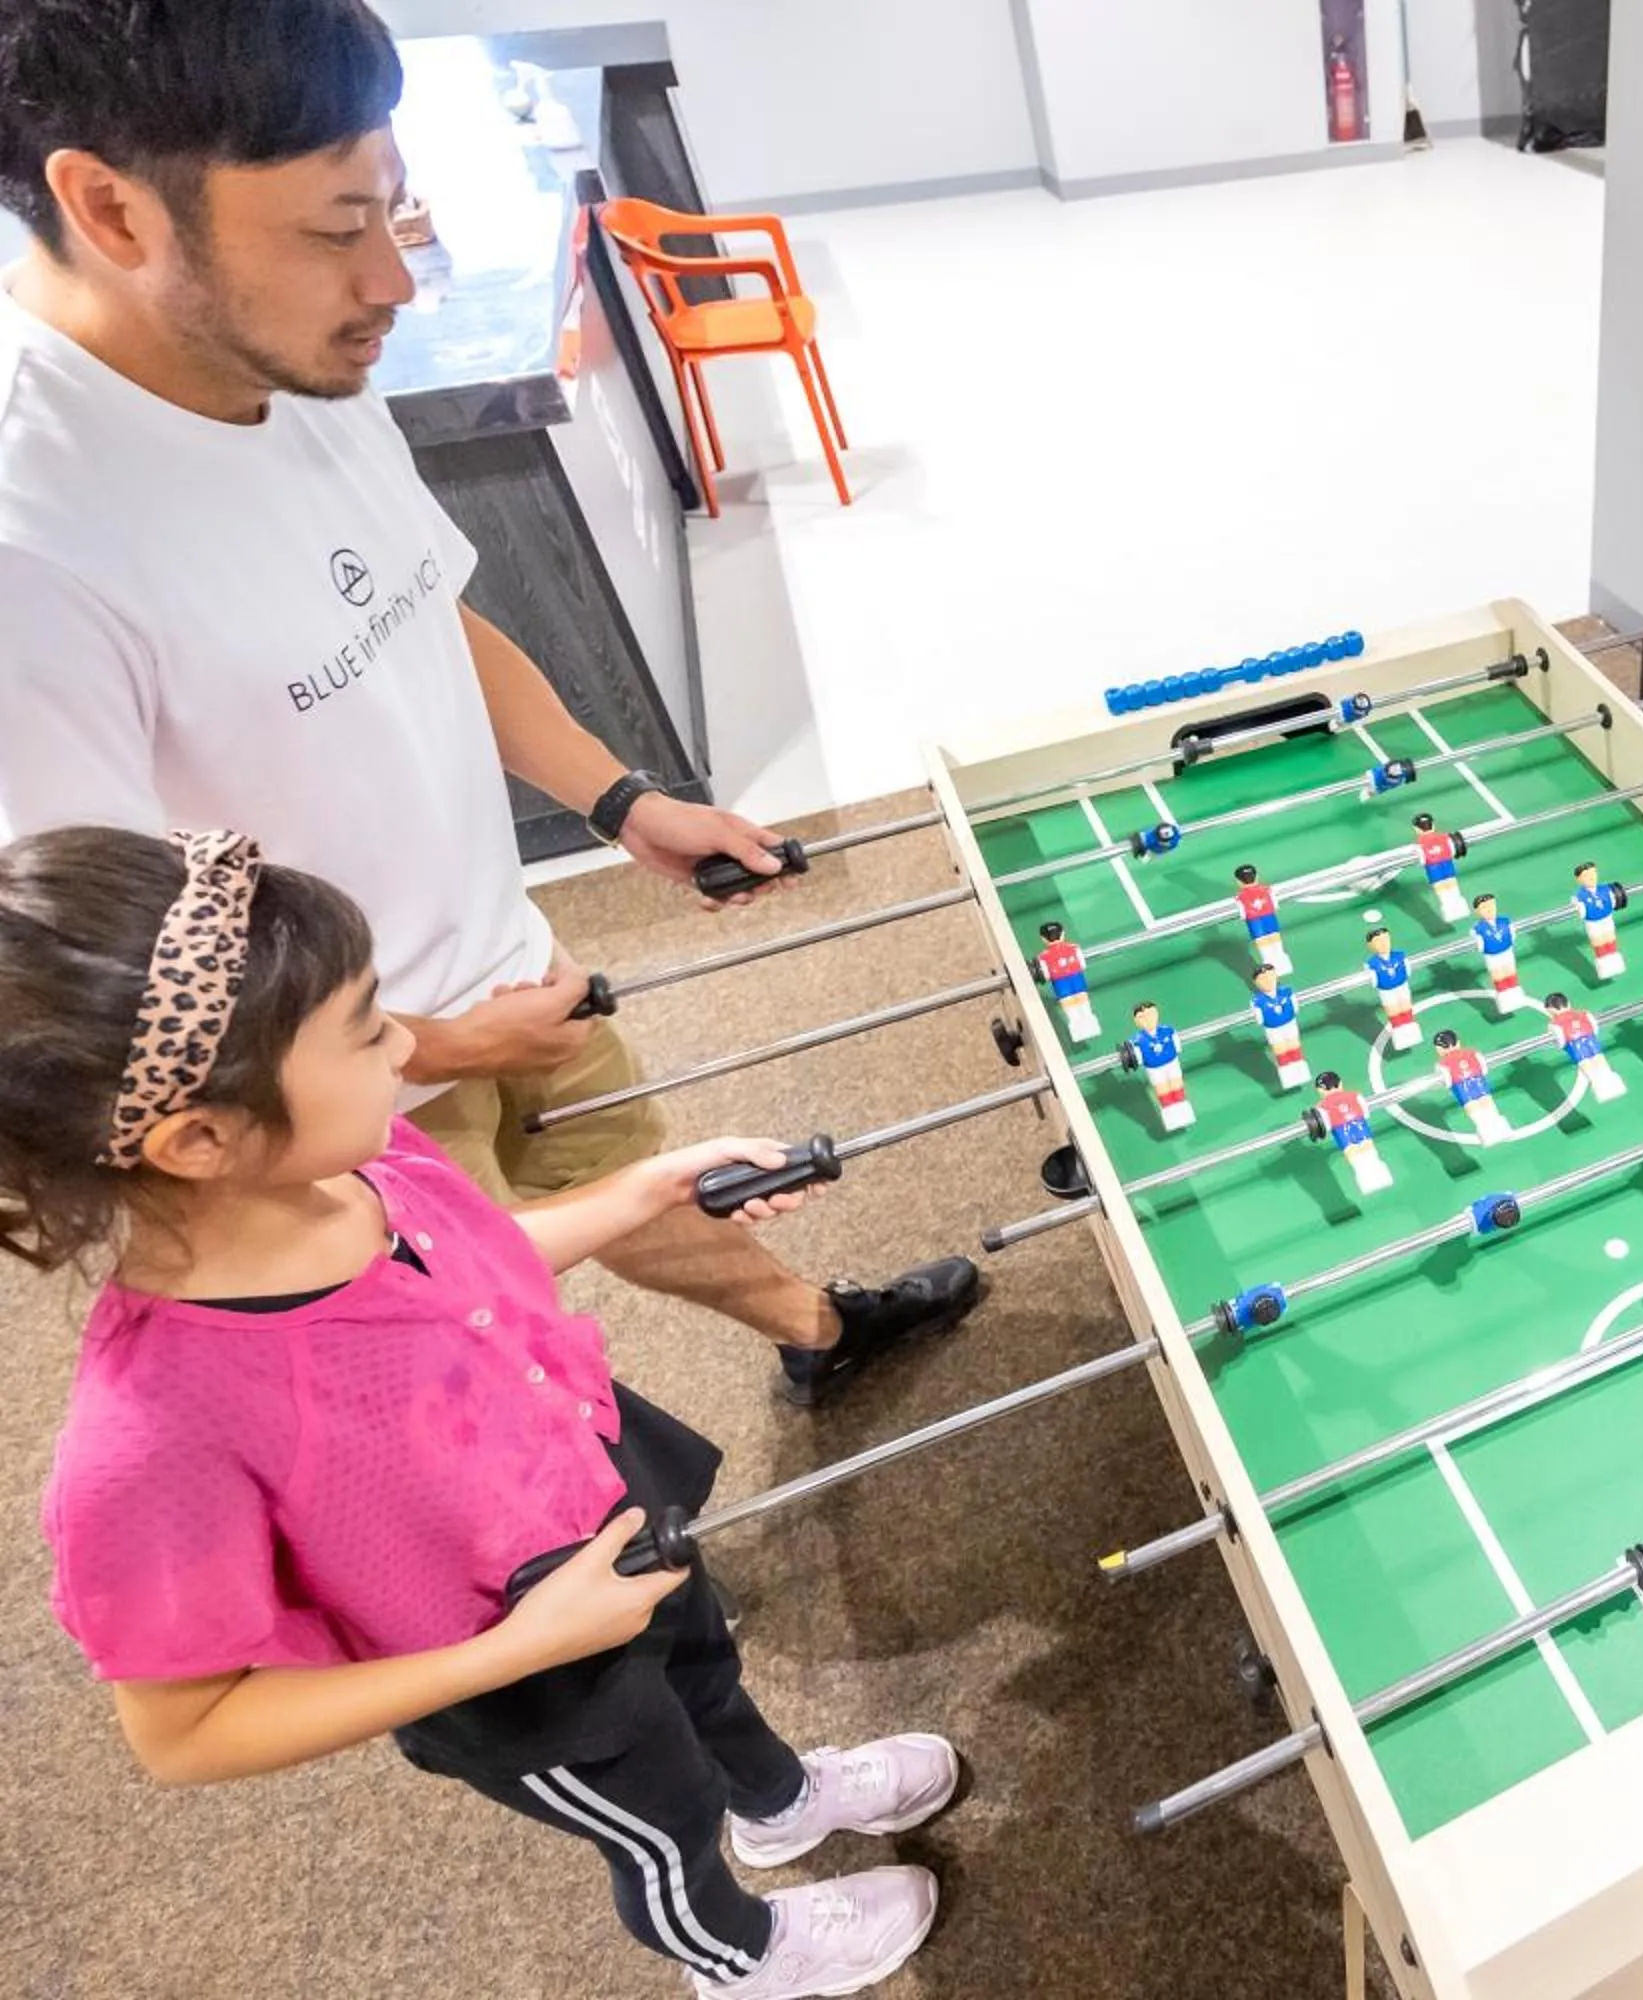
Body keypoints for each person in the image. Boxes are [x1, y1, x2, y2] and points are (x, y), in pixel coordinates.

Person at [0, 0, 975, 1404]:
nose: (393, 282)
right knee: (460, 1379)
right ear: (111, 208)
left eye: (393, 209)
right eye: (338, 226)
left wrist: (619, 799)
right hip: (315, 1111)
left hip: (510, 970)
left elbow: (426, 612)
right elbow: (95, 997)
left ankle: (819, 1331)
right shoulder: (35, 545)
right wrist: (437, 1047)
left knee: (635, 1183)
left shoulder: (294, 352)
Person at [2, 826, 955, 1996]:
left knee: (706, 1668)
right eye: (368, 1028)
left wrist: (643, 1188)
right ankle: (741, 1952)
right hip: (522, 1676)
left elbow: (475, 1259)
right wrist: (520, 1646)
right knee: (658, 1818)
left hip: (601, 1503)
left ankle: (780, 1798)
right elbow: (185, 1730)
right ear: (201, 1138)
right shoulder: (152, 1432)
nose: (409, 1045)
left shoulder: (354, 1165)